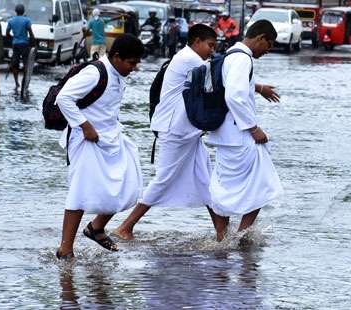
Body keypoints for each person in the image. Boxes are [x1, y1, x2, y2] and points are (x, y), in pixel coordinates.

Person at [113, 24, 220, 241]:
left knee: (206, 180)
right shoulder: (189, 58)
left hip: (186, 130)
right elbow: (220, 76)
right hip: (176, 130)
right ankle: (124, 227)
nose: (212, 50)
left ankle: (223, 234)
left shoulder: (189, 59)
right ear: (197, 41)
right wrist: (257, 86)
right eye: (210, 45)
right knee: (164, 179)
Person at [55, 34, 145, 260]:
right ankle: (65, 249)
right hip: (86, 140)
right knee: (80, 193)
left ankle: (95, 228)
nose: (134, 68)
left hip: (110, 137)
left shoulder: (117, 73)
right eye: (131, 63)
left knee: (127, 185)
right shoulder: (95, 72)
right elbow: (63, 98)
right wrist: (85, 126)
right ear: (116, 57)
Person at [206, 19, 283, 240]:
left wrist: (258, 88)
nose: (267, 51)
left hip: (224, 134)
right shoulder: (243, 59)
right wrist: (253, 128)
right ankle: (240, 235)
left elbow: (233, 87)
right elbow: (234, 95)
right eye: (268, 45)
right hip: (239, 135)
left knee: (224, 186)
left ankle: (223, 237)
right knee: (264, 184)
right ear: (260, 38)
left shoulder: (230, 55)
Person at [6, 4, 35, 90]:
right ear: (23, 11)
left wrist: (13, 38)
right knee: (26, 63)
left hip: (15, 44)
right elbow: (30, 32)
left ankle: (17, 83)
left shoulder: (11, 21)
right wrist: (33, 42)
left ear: (16, 11)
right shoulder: (27, 20)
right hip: (24, 44)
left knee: (15, 64)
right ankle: (24, 81)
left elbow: (7, 33)